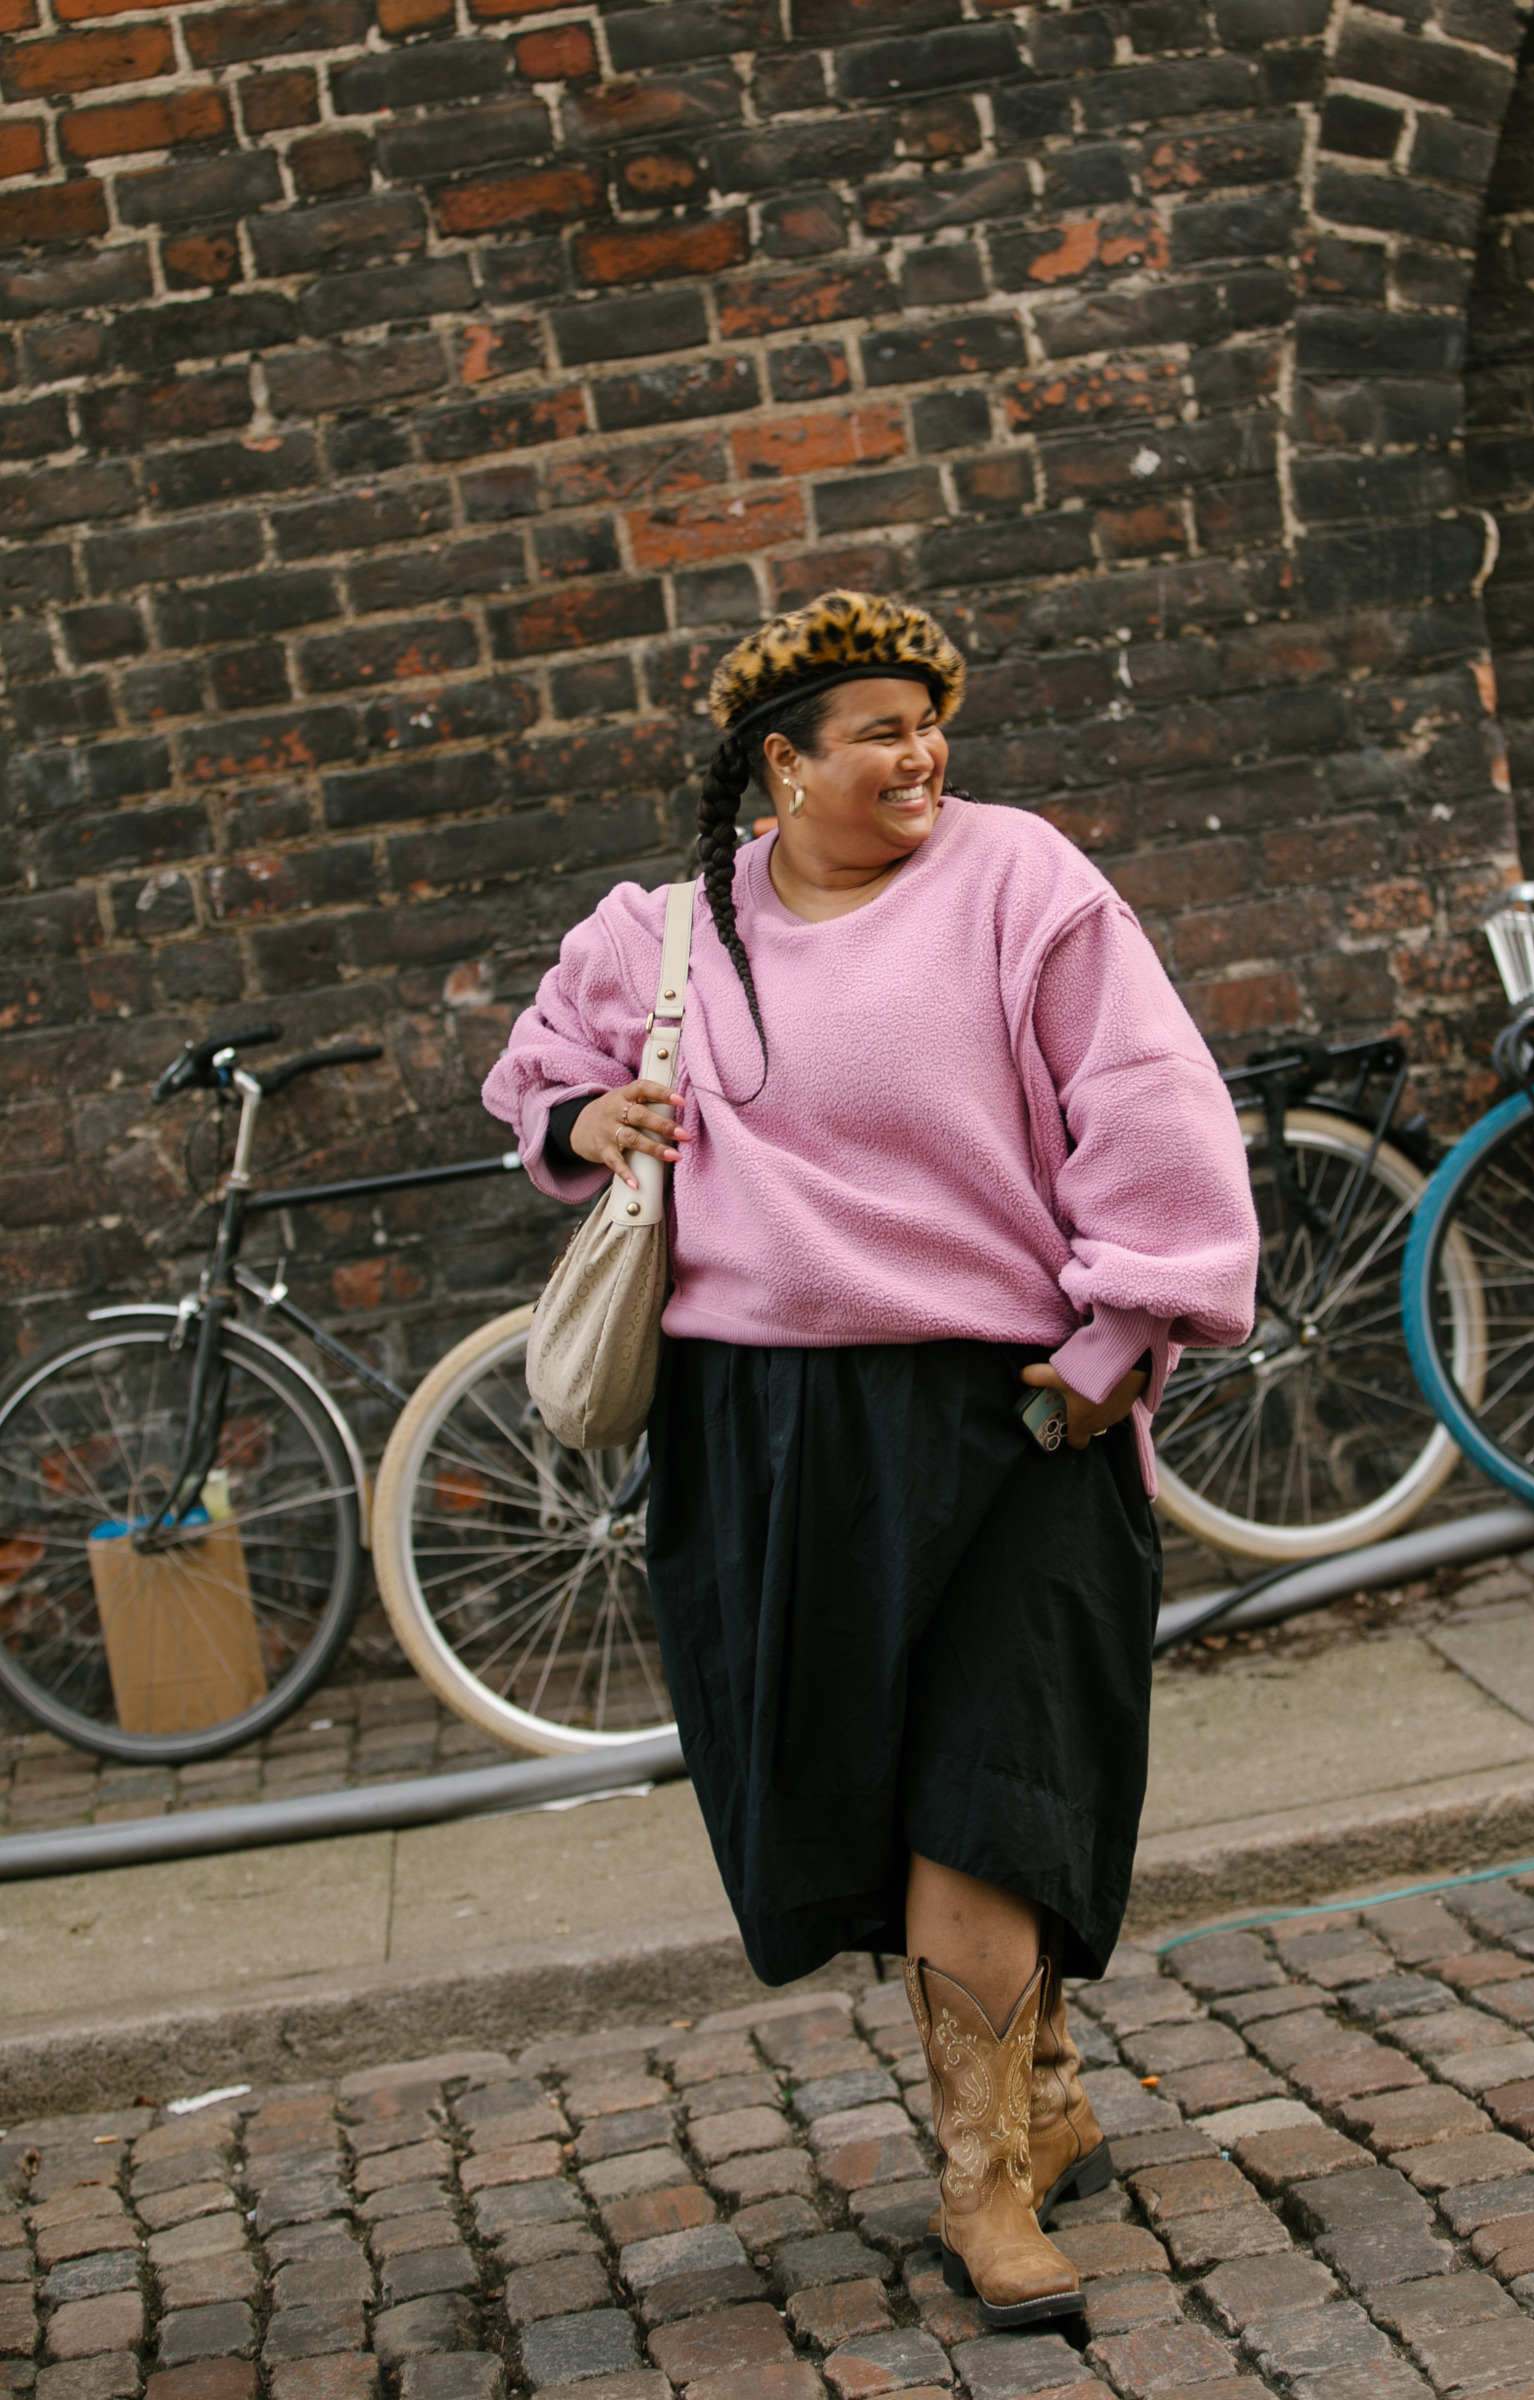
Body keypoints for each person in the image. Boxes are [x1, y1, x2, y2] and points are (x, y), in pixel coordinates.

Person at [483, 590, 1260, 2327]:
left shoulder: (1023, 882)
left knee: (995, 1778)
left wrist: (1116, 1339)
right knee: (866, 1784)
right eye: (881, 730)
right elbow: (536, 1072)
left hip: (1017, 1411)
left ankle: (981, 2186)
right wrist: (581, 1119)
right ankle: (1043, 2093)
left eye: (933, 724)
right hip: (763, 1428)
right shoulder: (668, 931)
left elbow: (1148, 1102)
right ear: (782, 762)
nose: (923, 756)